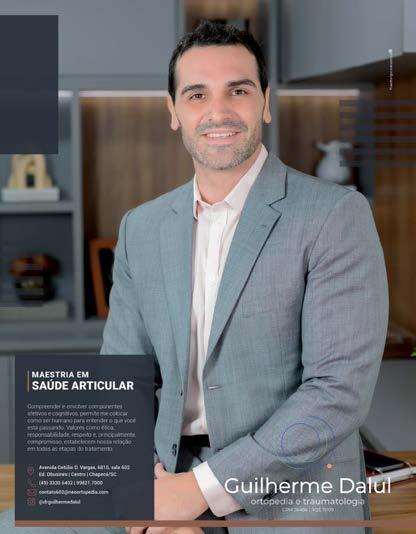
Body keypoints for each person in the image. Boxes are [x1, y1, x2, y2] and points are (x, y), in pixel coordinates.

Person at [0, 20, 388, 534]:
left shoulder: (335, 214)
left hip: (288, 488)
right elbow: (122, 375)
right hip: (162, 472)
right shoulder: (141, 227)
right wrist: (148, 492)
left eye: (238, 91)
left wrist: (198, 493)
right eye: (197, 94)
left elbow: (336, 393)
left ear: (265, 103)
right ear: (174, 111)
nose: (218, 111)